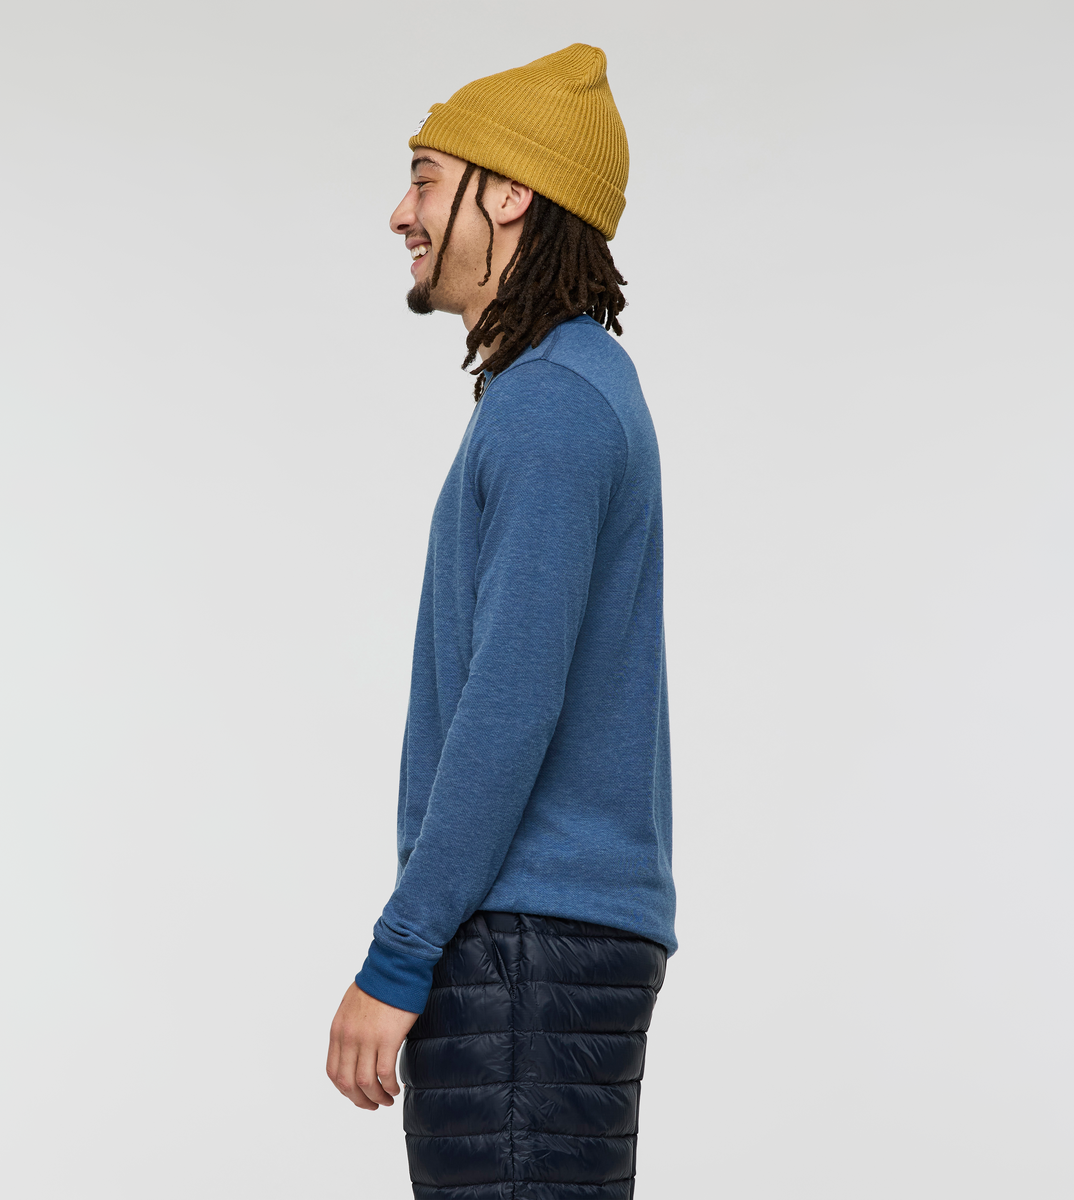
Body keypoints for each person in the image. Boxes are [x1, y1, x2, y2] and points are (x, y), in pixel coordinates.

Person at [326, 43, 676, 1199]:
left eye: (426, 180)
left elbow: (511, 701)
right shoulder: (565, 388)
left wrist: (400, 952)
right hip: (542, 943)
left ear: (512, 193)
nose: (402, 213)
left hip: (525, 943)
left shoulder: (551, 404)